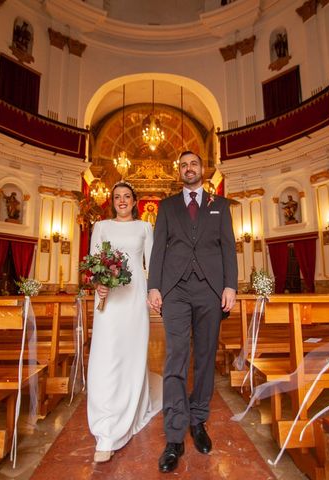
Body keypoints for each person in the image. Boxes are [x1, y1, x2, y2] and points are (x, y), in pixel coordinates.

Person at [147, 151, 237, 473]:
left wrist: (231, 286)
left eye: (193, 164)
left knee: (205, 357)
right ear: (179, 172)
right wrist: (153, 287)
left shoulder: (220, 205)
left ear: (202, 170)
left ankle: (198, 421)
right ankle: (174, 435)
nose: (189, 169)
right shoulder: (168, 206)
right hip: (176, 290)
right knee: (175, 359)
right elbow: (159, 247)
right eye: (184, 165)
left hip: (211, 290)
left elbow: (228, 246)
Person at [87, 181, 162, 463]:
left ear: (134, 201)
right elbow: (95, 261)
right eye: (117, 196)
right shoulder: (101, 226)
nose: (121, 200)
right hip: (108, 298)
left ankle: (133, 405)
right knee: (106, 356)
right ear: (112, 201)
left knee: (131, 354)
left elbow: (152, 263)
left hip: (134, 297)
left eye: (126, 196)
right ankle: (106, 426)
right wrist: (98, 284)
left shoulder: (144, 228)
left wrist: (155, 292)